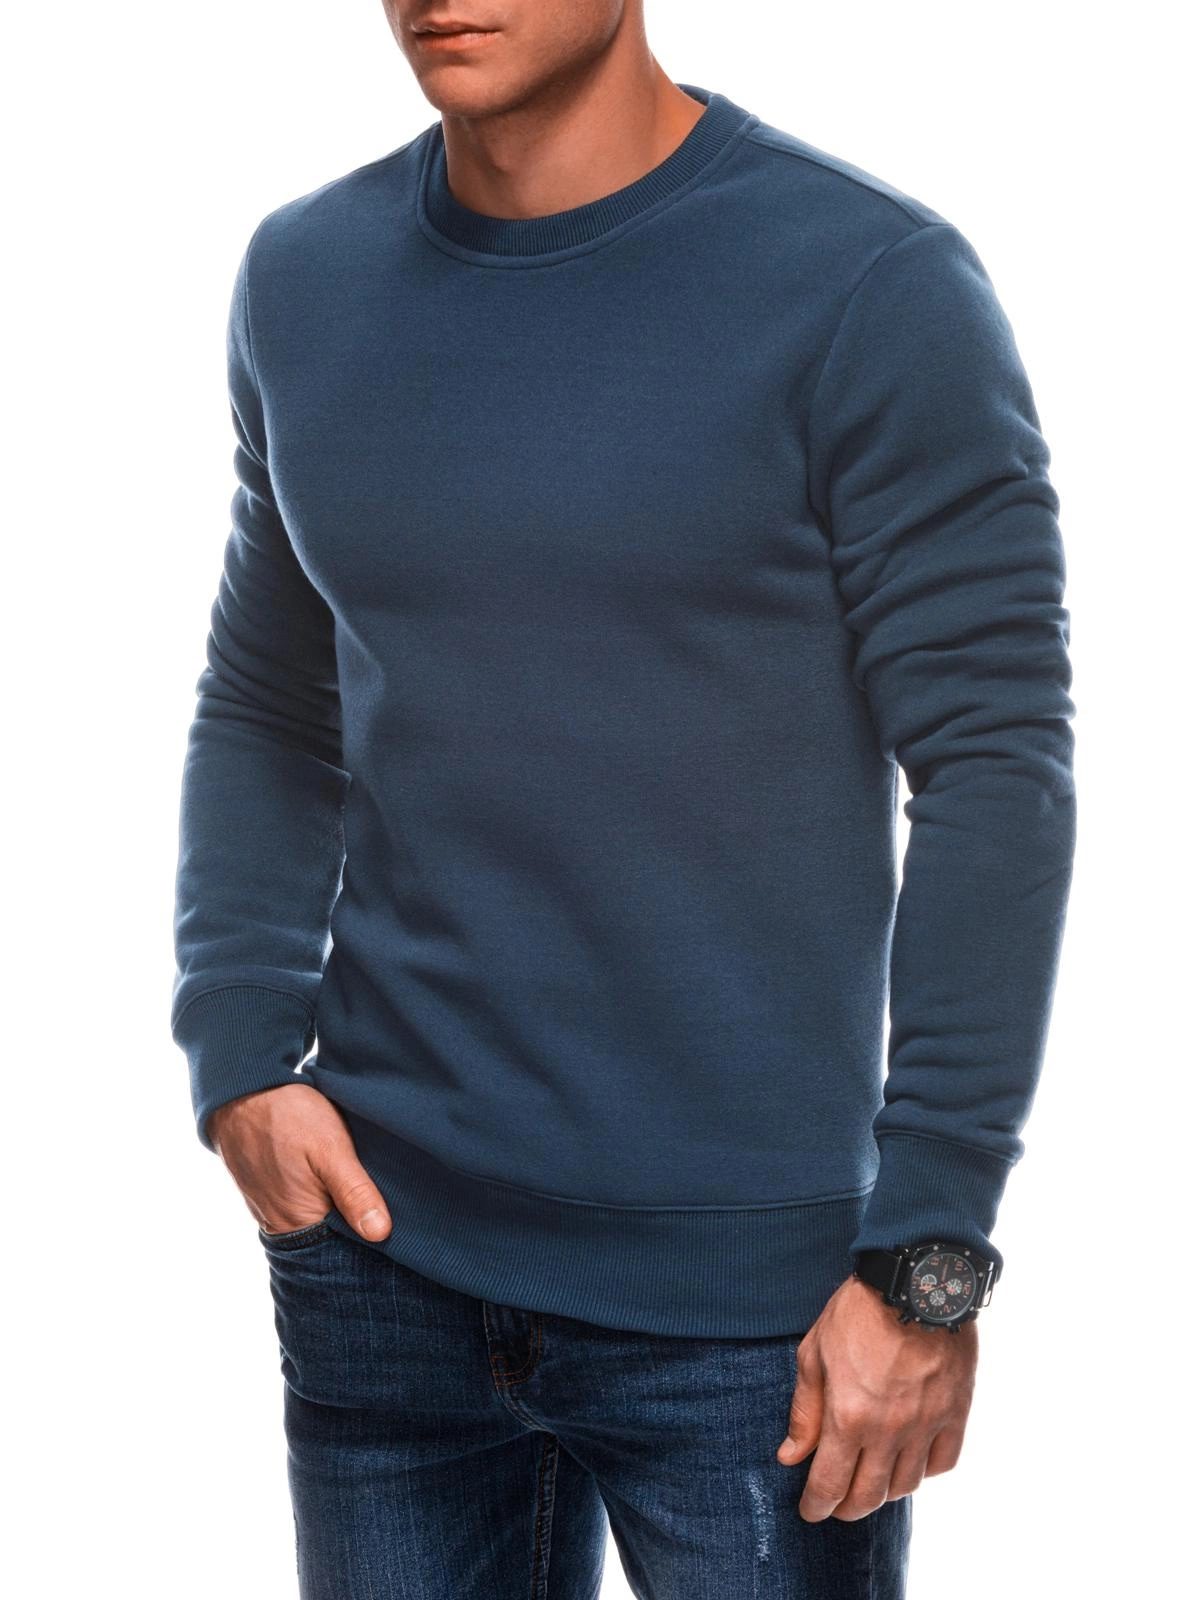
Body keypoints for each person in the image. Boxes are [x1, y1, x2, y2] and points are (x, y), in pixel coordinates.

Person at [169, 3, 1076, 1595]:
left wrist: (927, 1262)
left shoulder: (868, 286)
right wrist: (239, 1048)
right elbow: (270, 700)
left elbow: (996, 768)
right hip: (382, 1255)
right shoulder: (304, 277)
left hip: (755, 1316)